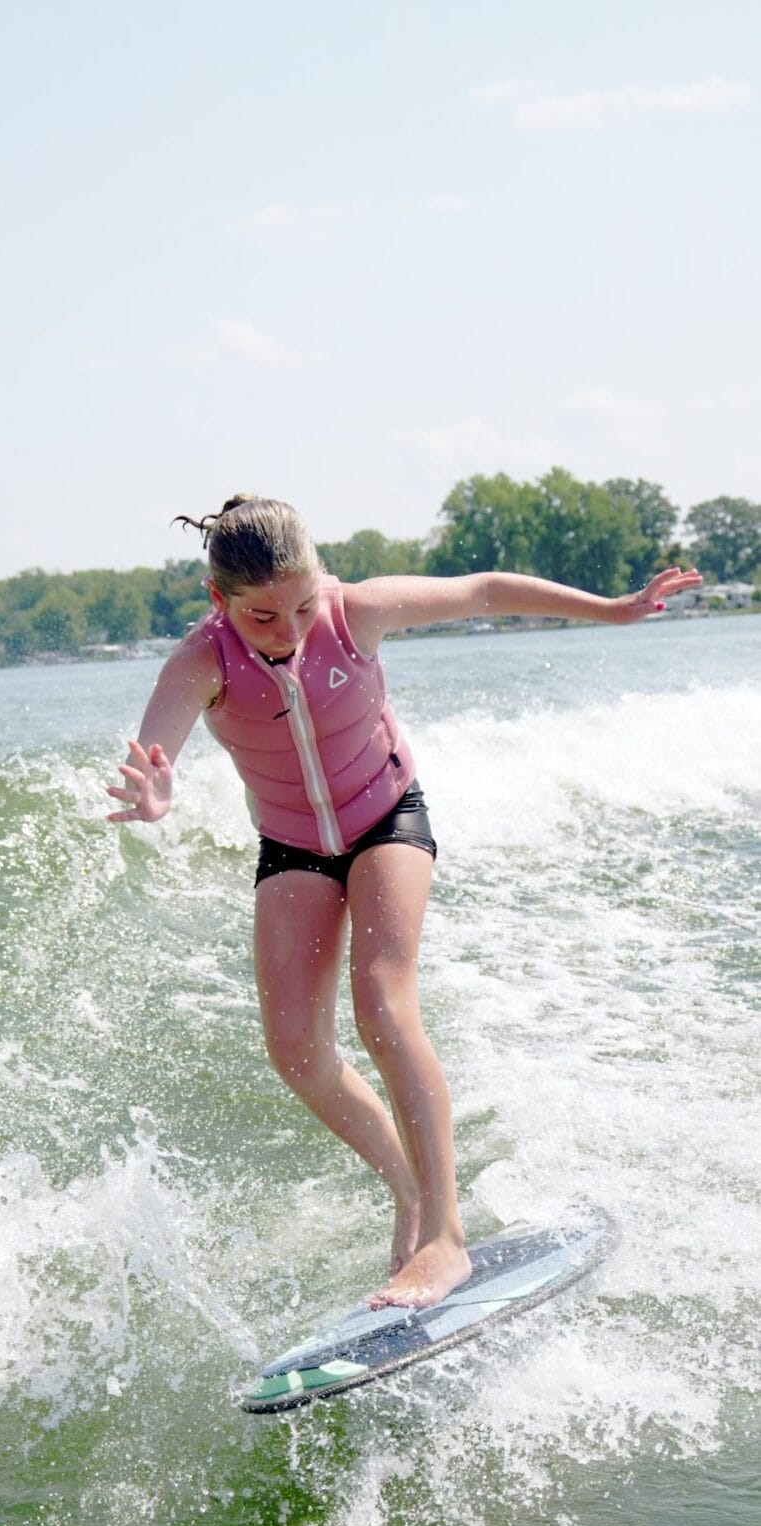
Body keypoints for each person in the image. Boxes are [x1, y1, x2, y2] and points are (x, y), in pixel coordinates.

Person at [106, 495, 700, 1311]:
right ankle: (408, 1191)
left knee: (383, 1004)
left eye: (303, 605)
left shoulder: (355, 614)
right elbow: (157, 747)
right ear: (219, 603)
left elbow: (484, 590)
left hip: (385, 816)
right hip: (292, 847)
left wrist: (610, 609)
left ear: (323, 581)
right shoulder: (199, 662)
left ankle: (443, 1239)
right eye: (262, 616)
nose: (288, 629)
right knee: (295, 1050)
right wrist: (158, 790)